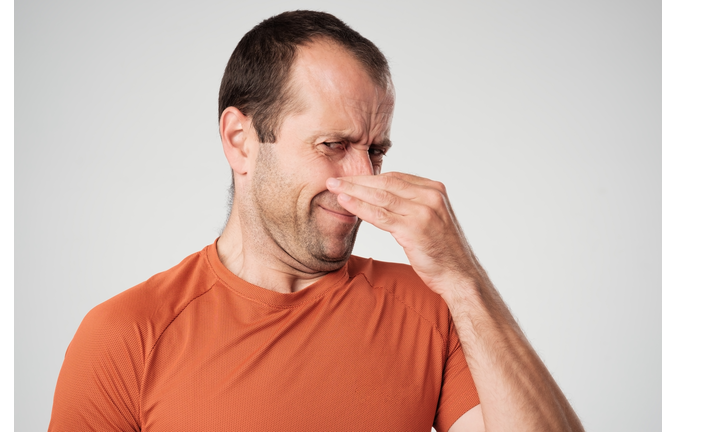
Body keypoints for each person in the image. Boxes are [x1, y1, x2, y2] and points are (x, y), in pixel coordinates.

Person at [49, 10, 584, 432]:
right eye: (333, 145)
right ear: (241, 141)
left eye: (375, 151)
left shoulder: (432, 311)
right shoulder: (127, 335)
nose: (362, 179)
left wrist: (463, 279)